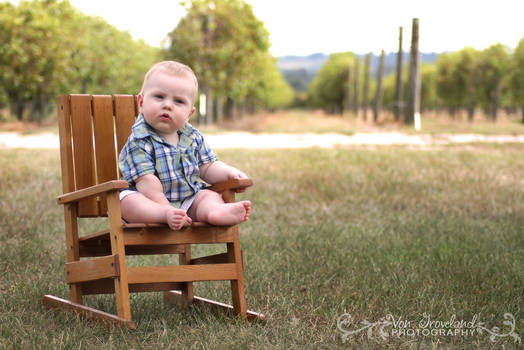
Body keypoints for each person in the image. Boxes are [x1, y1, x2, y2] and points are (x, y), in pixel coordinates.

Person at [118, 61, 251, 230]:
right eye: (159, 97)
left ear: (190, 113)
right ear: (141, 102)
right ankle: (164, 215)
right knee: (128, 201)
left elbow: (208, 167)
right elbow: (147, 182)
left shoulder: (193, 138)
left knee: (207, 196)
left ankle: (214, 212)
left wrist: (229, 173)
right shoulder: (139, 139)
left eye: (178, 101)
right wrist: (167, 210)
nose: (167, 105)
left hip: (186, 201)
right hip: (149, 202)